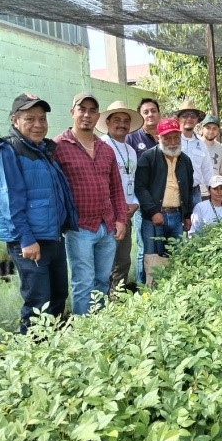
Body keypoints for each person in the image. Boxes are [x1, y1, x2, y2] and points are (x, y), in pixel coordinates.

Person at [0, 93, 77, 333]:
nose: (38, 125)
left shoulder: (42, 150)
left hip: (52, 237)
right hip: (30, 242)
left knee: (58, 295)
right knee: (39, 302)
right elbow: (9, 201)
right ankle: (33, 352)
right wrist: (26, 239)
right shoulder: (8, 151)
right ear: (15, 120)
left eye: (42, 119)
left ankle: (53, 348)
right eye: (30, 119)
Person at [53, 92, 127, 315]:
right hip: (79, 228)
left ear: (98, 116)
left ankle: (100, 325)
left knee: (103, 279)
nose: (87, 114)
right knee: (83, 282)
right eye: (81, 109)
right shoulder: (59, 146)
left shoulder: (106, 149)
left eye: (92, 110)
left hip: (106, 226)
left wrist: (121, 219)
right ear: (72, 112)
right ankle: (83, 333)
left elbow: (116, 187)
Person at [97, 100, 144, 292]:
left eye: (126, 120)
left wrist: (135, 204)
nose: (122, 124)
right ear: (107, 122)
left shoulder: (131, 151)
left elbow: (133, 181)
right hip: (107, 215)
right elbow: (101, 184)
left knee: (123, 260)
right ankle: (102, 305)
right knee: (106, 262)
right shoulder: (101, 146)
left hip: (127, 213)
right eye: (116, 119)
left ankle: (118, 301)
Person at [135, 118, 194, 259]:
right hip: (154, 217)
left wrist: (186, 215)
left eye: (176, 137)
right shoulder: (148, 157)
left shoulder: (186, 160)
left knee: (175, 259)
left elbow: (188, 190)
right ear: (158, 137)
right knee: (153, 259)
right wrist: (153, 211)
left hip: (177, 216)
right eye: (167, 138)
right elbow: (140, 187)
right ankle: (145, 282)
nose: (173, 142)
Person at [126, 97, 161, 285]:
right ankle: (141, 287)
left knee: (160, 245)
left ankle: (157, 283)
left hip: (162, 201)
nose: (150, 114)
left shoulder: (164, 136)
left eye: (153, 110)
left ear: (159, 113)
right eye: (145, 112)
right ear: (140, 115)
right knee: (144, 247)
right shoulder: (133, 137)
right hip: (141, 200)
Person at [176, 99, 214, 207]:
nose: (189, 119)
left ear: (197, 120)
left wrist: (214, 191)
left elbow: (208, 171)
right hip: (174, 192)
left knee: (195, 223)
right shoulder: (172, 141)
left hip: (195, 192)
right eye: (185, 116)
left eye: (193, 116)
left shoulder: (201, 145)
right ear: (178, 118)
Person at [200, 114, 222, 201]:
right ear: (202, 129)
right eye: (208, 128)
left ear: (218, 131)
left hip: (215, 193)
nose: (211, 131)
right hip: (198, 192)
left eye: (214, 128)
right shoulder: (196, 144)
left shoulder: (219, 147)